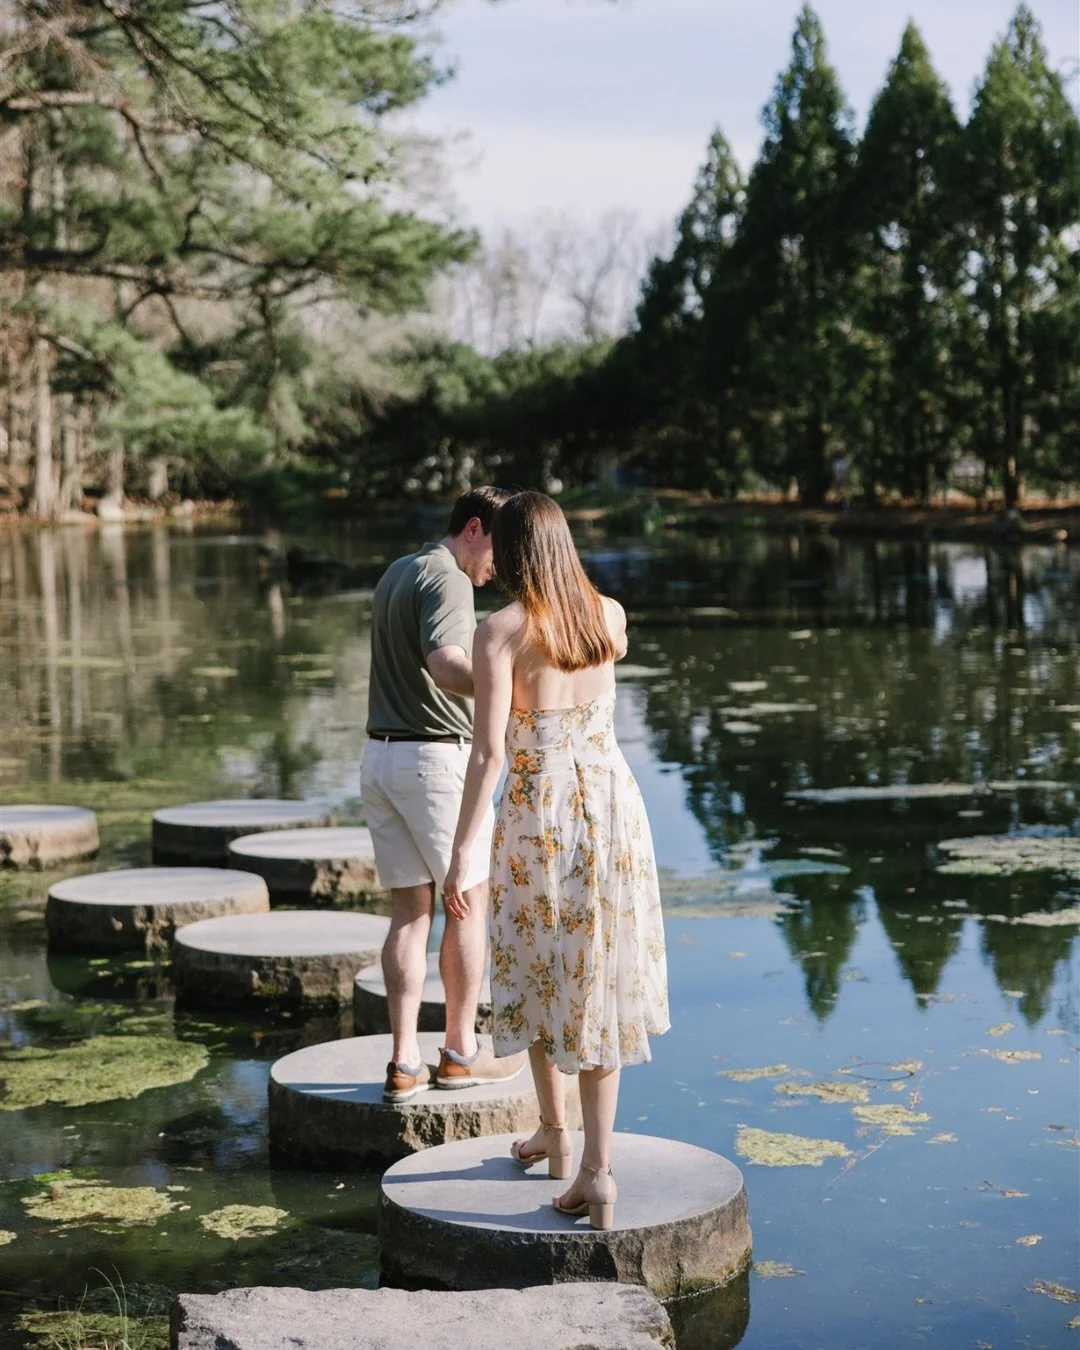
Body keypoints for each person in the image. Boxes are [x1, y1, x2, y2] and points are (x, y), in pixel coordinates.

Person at [443, 491, 669, 1230]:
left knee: (537, 969)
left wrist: (461, 853)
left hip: (539, 817)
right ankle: (581, 1158)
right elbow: (605, 657)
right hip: (611, 810)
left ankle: (563, 1138)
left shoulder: (500, 632)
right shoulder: (609, 615)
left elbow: (486, 752)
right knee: (598, 979)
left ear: (509, 554)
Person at [362, 486, 526, 1102]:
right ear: (476, 529)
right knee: (468, 902)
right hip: (434, 759)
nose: (499, 569)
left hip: (379, 756)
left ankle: (403, 1063)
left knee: (410, 913)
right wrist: (510, 682)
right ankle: (460, 1051)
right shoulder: (449, 578)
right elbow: (446, 663)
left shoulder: (396, 572)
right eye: (500, 551)